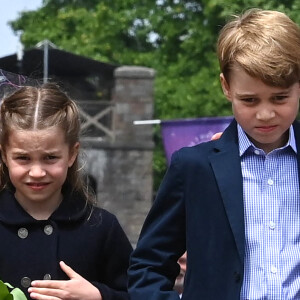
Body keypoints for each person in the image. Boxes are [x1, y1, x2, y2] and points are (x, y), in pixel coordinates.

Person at [128, 8, 300, 299]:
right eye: (250, 100)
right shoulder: (194, 167)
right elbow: (148, 266)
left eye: (280, 97)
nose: (266, 113)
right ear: (226, 87)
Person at [0, 83, 132, 300]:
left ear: (72, 154)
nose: (37, 172)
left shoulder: (101, 227)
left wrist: (99, 296)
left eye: (50, 158)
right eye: (23, 158)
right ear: (4, 155)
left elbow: (140, 294)